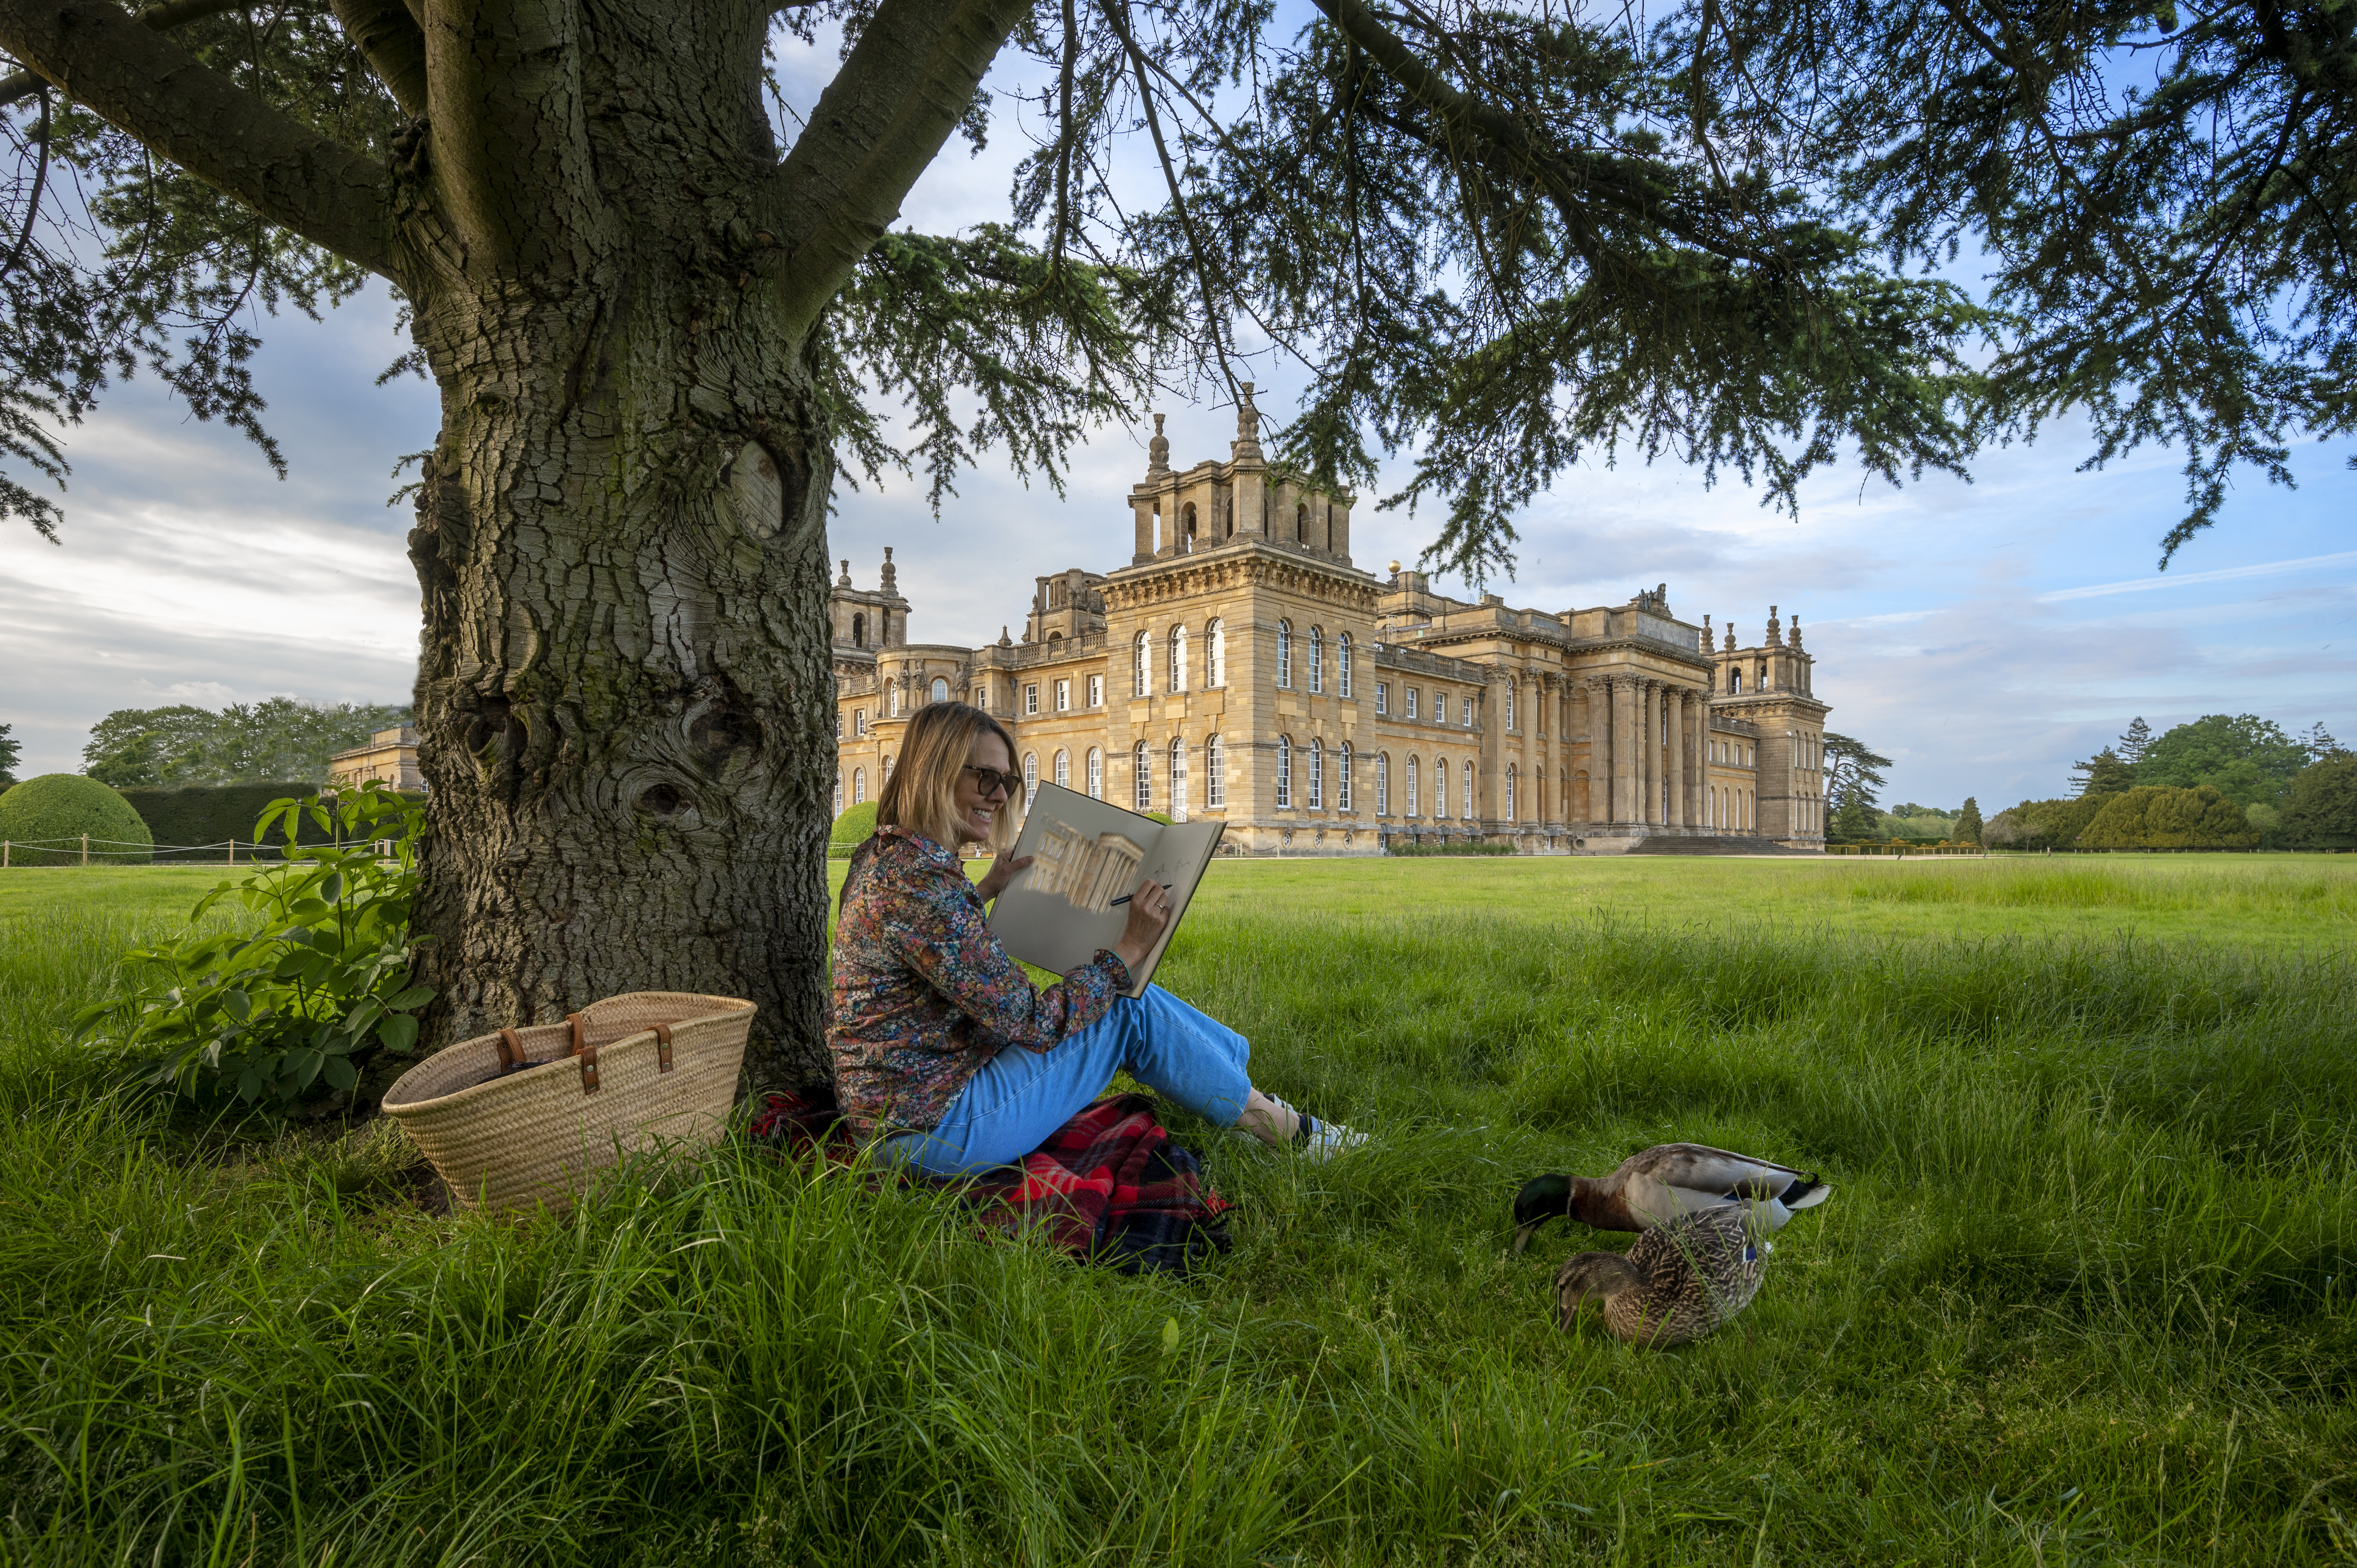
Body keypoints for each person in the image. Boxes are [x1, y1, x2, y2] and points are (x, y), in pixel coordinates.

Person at [830, 701, 1363, 1173]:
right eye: (985, 778)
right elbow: (1034, 1023)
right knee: (1124, 1005)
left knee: (1127, 996)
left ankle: (1243, 1094)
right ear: (936, 773)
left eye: (1008, 782)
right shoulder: (920, 885)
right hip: (930, 1133)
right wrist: (1128, 949)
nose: (998, 796)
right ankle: (1287, 1133)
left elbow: (927, 946)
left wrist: (987, 888)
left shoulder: (889, 859)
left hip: (901, 1112)